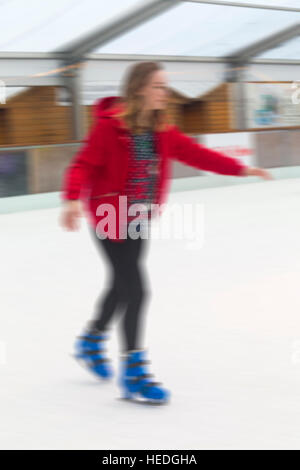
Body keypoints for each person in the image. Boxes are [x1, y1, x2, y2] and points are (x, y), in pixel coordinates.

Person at [60, 61, 273, 404]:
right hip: (110, 215)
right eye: (159, 86)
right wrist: (71, 200)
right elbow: (84, 164)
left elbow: (197, 154)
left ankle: (90, 340)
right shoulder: (110, 128)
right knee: (137, 289)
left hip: (139, 216)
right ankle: (133, 372)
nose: (166, 92)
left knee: (121, 284)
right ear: (140, 88)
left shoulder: (162, 130)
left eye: (166, 86)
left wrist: (241, 168)